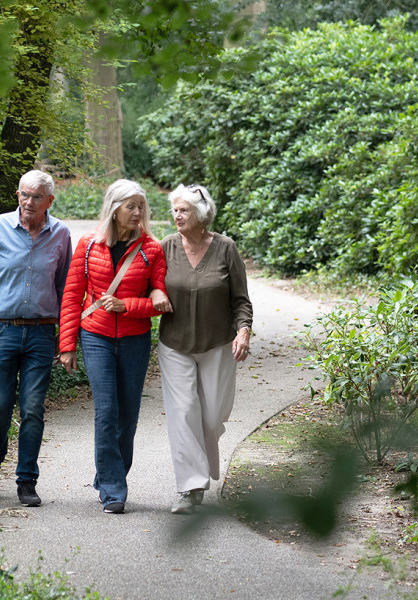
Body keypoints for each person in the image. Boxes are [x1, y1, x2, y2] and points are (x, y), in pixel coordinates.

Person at [0, 169, 73, 508]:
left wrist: (64, 335)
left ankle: (26, 481)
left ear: (49, 201)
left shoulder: (61, 234)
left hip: (41, 332)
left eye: (37, 197)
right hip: (0, 329)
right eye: (24, 195)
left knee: (33, 409)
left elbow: (66, 288)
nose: (28, 202)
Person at [57, 179, 167, 514]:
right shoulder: (89, 245)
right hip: (96, 336)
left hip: (135, 339)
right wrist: (67, 345)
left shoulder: (151, 249)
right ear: (114, 208)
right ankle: (114, 490)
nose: (137, 213)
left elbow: (161, 301)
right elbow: (72, 296)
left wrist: (128, 306)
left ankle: (108, 474)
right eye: (130, 206)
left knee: (128, 416)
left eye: (141, 207)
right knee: (106, 413)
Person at [151, 184, 253, 515]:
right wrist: (155, 294)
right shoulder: (166, 246)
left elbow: (240, 299)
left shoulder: (225, 249)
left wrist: (243, 331)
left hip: (217, 344)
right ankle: (190, 488)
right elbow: (150, 282)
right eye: (175, 210)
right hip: (175, 344)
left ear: (202, 214)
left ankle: (201, 467)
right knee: (183, 414)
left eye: (184, 210)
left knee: (211, 418)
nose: (177, 216)